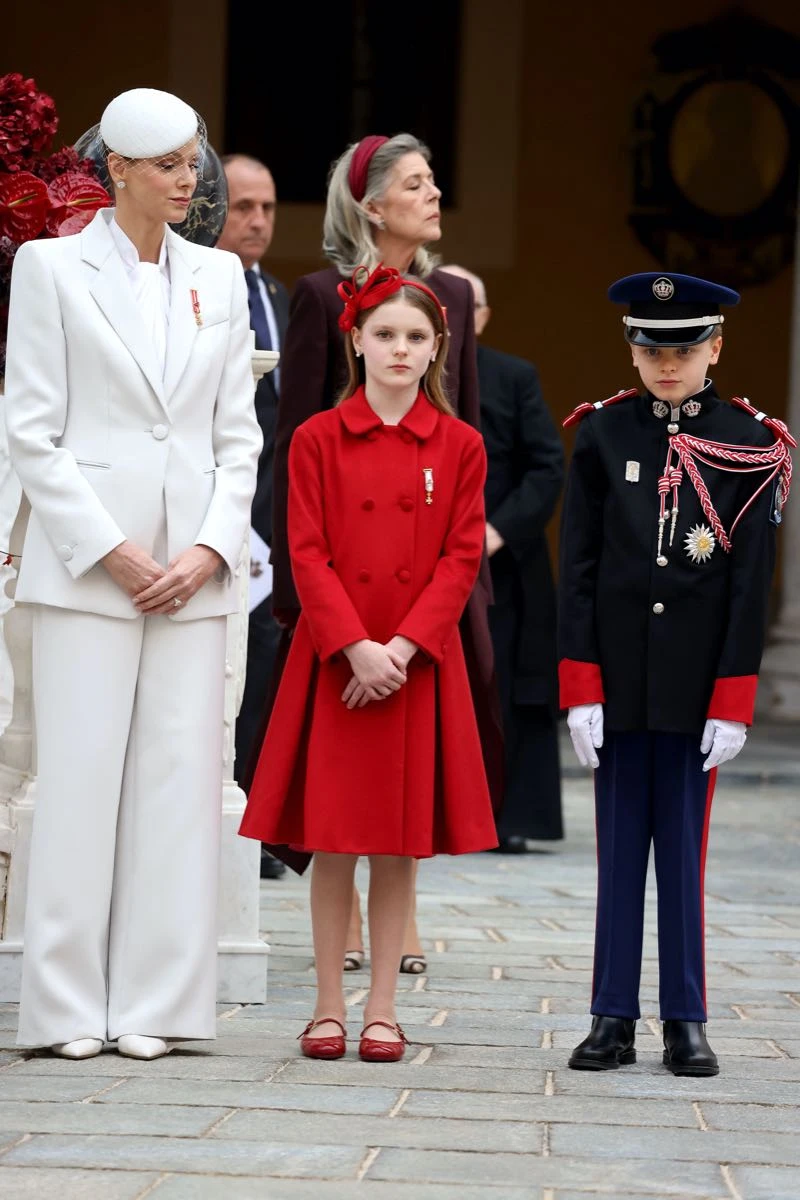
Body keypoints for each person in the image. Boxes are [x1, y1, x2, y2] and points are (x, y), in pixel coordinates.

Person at [4, 88, 262, 1060]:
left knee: (176, 786)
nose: (190, 178)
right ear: (117, 169)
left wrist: (205, 547)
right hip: (89, 572)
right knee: (75, 784)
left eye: (192, 161)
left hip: (192, 573)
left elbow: (236, 438)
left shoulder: (219, 278)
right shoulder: (50, 266)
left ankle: (156, 1005)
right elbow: (33, 429)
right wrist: (110, 547)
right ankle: (67, 1011)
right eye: (168, 164)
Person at [239, 265, 498, 1061]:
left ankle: (382, 1008)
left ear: (437, 351)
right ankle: (326, 1006)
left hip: (415, 665)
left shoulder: (460, 445)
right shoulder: (316, 438)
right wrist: (353, 645)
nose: (399, 348)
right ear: (355, 340)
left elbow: (460, 560)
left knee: (396, 842)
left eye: (416, 337)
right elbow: (304, 553)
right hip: (335, 665)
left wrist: (403, 648)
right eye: (384, 333)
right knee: (334, 838)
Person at [264, 133, 503, 974]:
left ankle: (401, 915)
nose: (434, 192)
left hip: (429, 557)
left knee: (420, 740)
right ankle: (349, 924)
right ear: (371, 201)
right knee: (339, 754)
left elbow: (461, 417)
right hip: (337, 563)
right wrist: (297, 587)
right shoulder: (318, 294)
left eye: (434, 178)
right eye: (415, 182)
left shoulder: (446, 298)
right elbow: (291, 434)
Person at [559, 271, 793, 1077]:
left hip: (696, 695)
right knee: (619, 855)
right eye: (651, 346)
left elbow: (748, 582)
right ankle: (611, 1015)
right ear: (632, 349)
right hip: (620, 685)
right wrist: (581, 687)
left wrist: (733, 699)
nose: (667, 363)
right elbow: (579, 572)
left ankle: (685, 1020)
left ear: (715, 348)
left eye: (685, 347)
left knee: (683, 860)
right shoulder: (601, 435)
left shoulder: (748, 442)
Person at [441, 265, 564, 850]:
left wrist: (495, 532)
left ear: (484, 315)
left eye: (470, 304)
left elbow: (547, 466)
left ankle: (508, 819)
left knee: (505, 684)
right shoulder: (410, 371)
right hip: (425, 561)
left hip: (504, 563)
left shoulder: (514, 377)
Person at [216, 153, 289, 880]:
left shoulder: (280, 296)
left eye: (266, 208)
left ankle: (260, 827)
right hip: (218, 511)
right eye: (243, 206)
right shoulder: (198, 289)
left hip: (276, 518)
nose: (258, 221)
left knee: (266, 668)